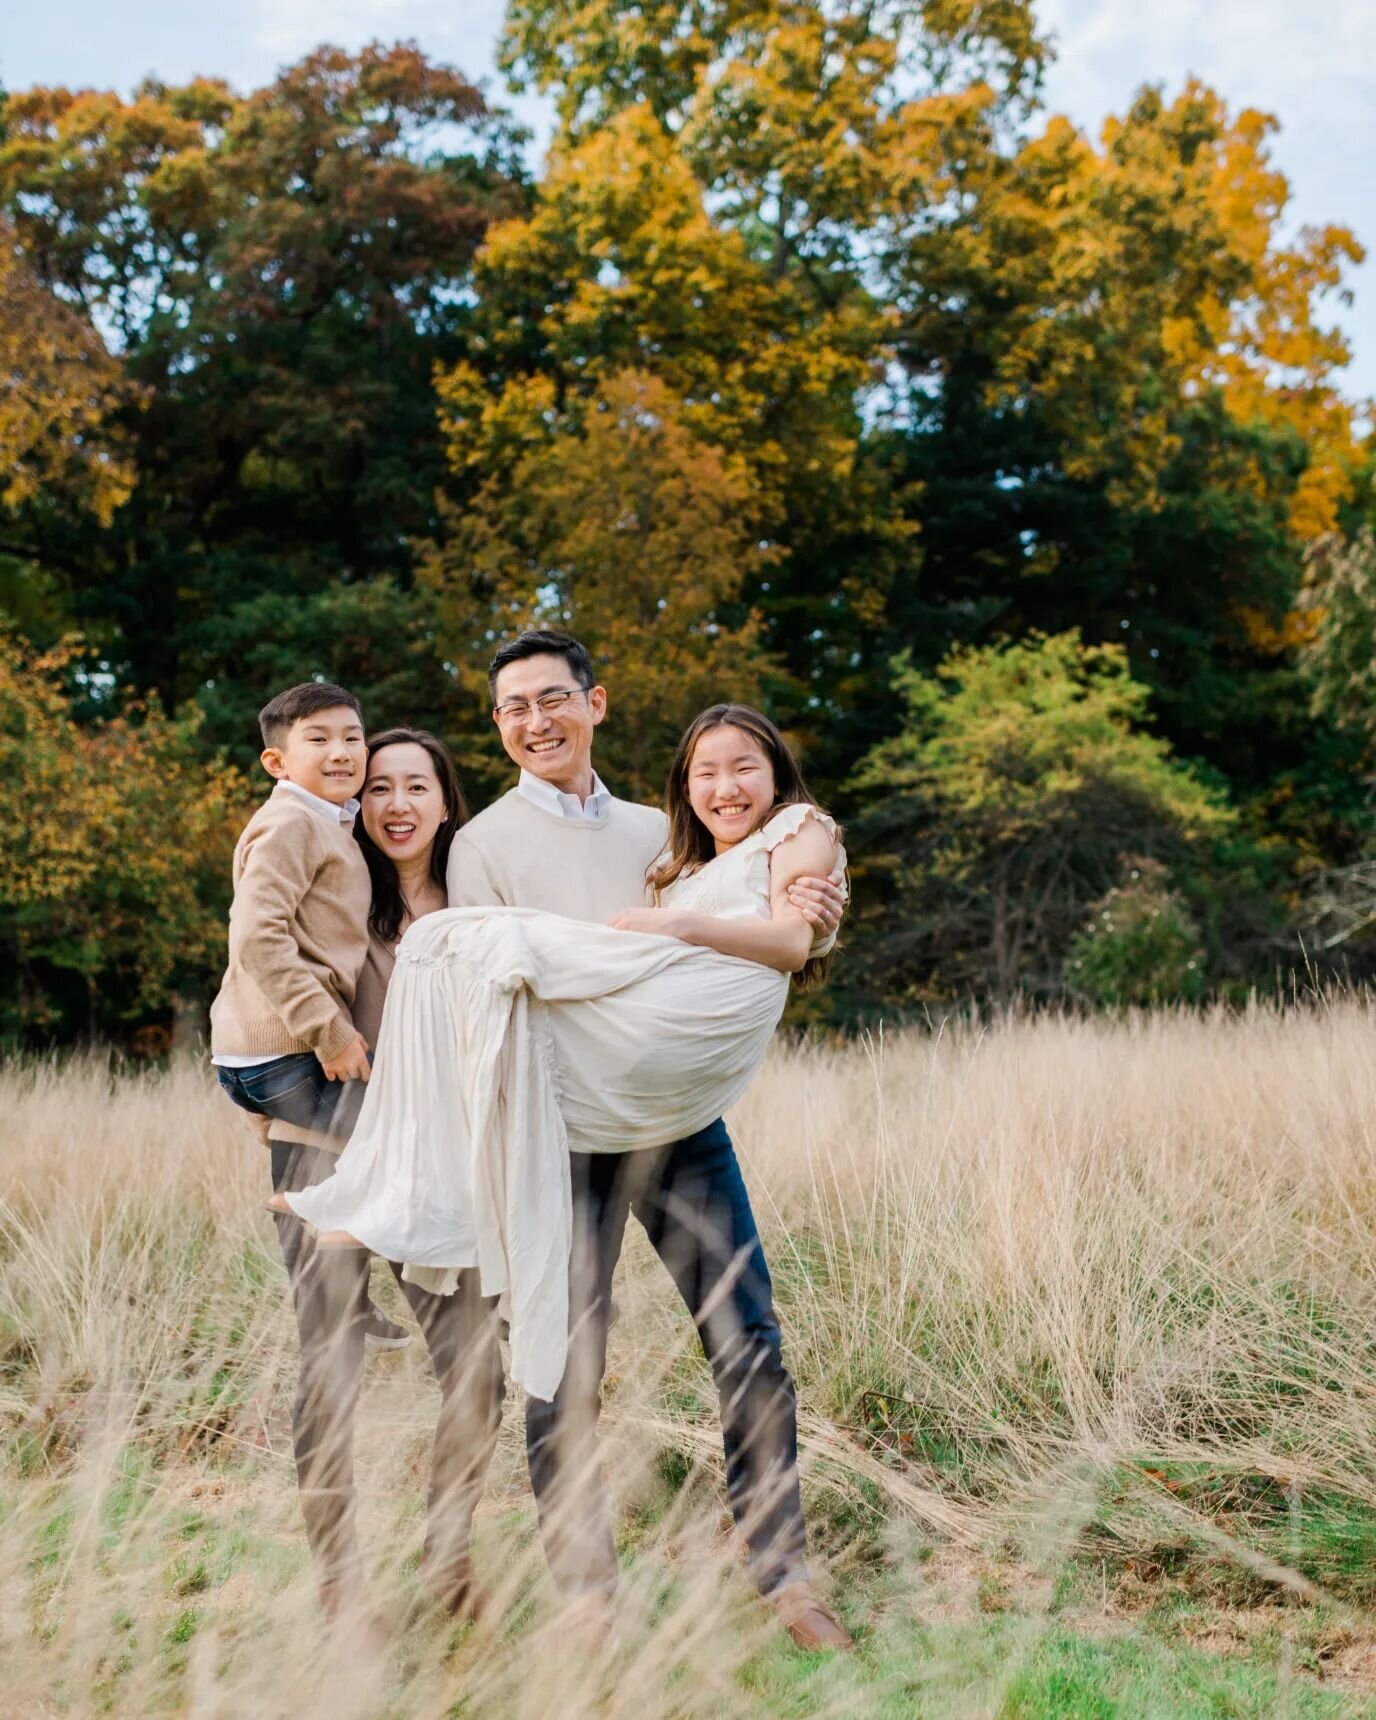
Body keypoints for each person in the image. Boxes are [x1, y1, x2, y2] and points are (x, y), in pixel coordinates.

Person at [280, 632, 853, 1650]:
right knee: (561, 1356)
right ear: (498, 726)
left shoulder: (660, 830)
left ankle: (781, 1573)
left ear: (593, 703)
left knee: (746, 1338)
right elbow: (489, 993)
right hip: (554, 1137)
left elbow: (741, 921)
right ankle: (587, 1592)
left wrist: (815, 898)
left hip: (678, 1130)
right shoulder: (481, 844)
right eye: (511, 708)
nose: (534, 721)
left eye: (553, 699)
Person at [214, 697, 503, 1634]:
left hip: (440, 1159)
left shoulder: (480, 898)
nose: (394, 801)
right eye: (377, 786)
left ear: (446, 801)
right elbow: (262, 978)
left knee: (475, 1364)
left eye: (415, 784)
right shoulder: (334, 881)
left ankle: (448, 1552)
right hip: (329, 1147)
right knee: (328, 1357)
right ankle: (340, 1582)